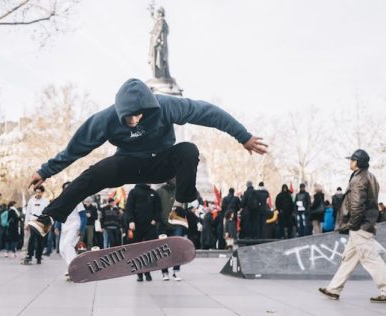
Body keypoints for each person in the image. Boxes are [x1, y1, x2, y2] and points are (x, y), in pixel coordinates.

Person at [26, 78, 267, 237]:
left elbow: (208, 113)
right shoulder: (105, 119)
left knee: (188, 150)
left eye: (140, 115)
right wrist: (45, 171)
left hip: (161, 162)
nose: (135, 121)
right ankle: (48, 217)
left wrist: (243, 136)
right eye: (129, 118)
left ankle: (180, 208)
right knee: (92, 174)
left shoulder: (166, 106)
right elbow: (75, 149)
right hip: (128, 164)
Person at [319, 149, 386, 303]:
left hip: (360, 226)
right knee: (348, 259)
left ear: (357, 162)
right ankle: (333, 289)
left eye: (352, 160)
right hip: (365, 224)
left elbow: (356, 206)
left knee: (371, 259)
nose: (350, 162)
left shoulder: (358, 180)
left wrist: (352, 225)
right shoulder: (370, 176)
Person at [125, 183, 162, 282]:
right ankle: (139, 273)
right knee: (137, 249)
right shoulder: (134, 192)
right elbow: (129, 207)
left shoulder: (153, 193)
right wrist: (131, 220)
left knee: (150, 249)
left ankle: (148, 272)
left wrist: (155, 219)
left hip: (150, 225)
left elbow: (158, 208)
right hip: (136, 225)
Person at [156, 179, 184, 281]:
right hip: (163, 225)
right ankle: (165, 272)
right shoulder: (160, 191)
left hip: (177, 223)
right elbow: (156, 207)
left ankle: (176, 271)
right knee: (164, 249)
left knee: (177, 248)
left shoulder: (180, 191)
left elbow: (184, 207)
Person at [58, 182, 87, 271]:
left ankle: (74, 269)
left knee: (67, 245)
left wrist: (81, 229)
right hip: (64, 228)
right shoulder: (62, 201)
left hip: (75, 227)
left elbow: (83, 215)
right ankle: (73, 267)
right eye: (65, 188)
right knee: (62, 249)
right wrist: (56, 226)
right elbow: (59, 215)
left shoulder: (77, 200)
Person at [24, 185, 49, 264]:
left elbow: (48, 214)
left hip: (41, 222)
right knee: (32, 239)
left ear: (42, 192)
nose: (38, 193)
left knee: (40, 240)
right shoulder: (31, 201)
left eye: (39, 192)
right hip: (32, 222)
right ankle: (30, 255)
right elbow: (28, 212)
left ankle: (38, 257)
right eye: (36, 192)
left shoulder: (46, 201)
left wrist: (48, 225)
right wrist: (26, 223)